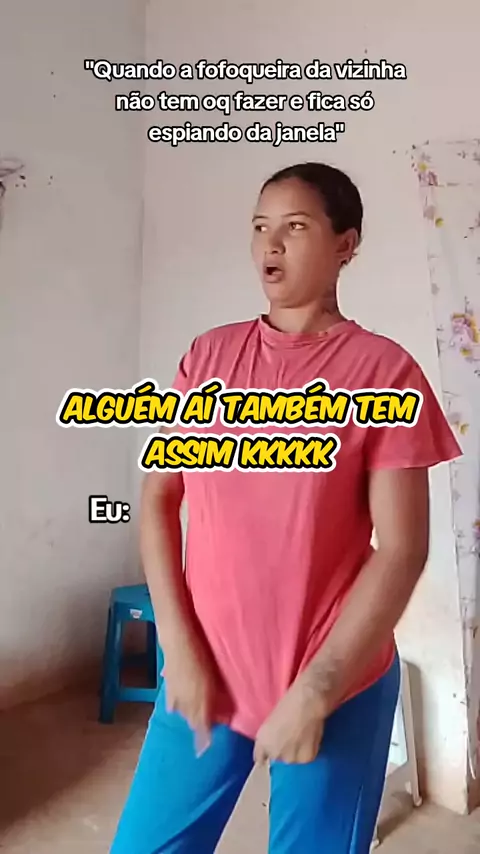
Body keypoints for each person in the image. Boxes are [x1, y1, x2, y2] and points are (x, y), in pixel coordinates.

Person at [110, 162, 462, 854]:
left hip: (333, 685)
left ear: (345, 245)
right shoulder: (208, 358)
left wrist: (317, 691)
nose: (270, 244)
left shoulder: (384, 373)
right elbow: (158, 500)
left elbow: (402, 549)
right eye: (260, 227)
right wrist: (178, 650)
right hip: (204, 672)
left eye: (295, 227)